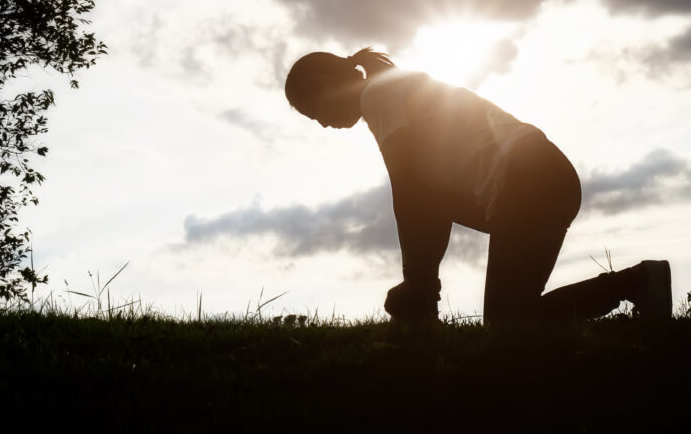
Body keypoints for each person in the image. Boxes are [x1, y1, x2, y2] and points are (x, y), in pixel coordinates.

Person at [284, 47, 672, 324]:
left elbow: (407, 192)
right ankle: (641, 283)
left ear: (325, 84)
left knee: (508, 324)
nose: (321, 123)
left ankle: (637, 281)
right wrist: (422, 284)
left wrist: (416, 283)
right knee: (511, 317)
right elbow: (429, 205)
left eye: (313, 111)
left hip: (529, 181)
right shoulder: (394, 87)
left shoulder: (378, 94)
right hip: (543, 179)